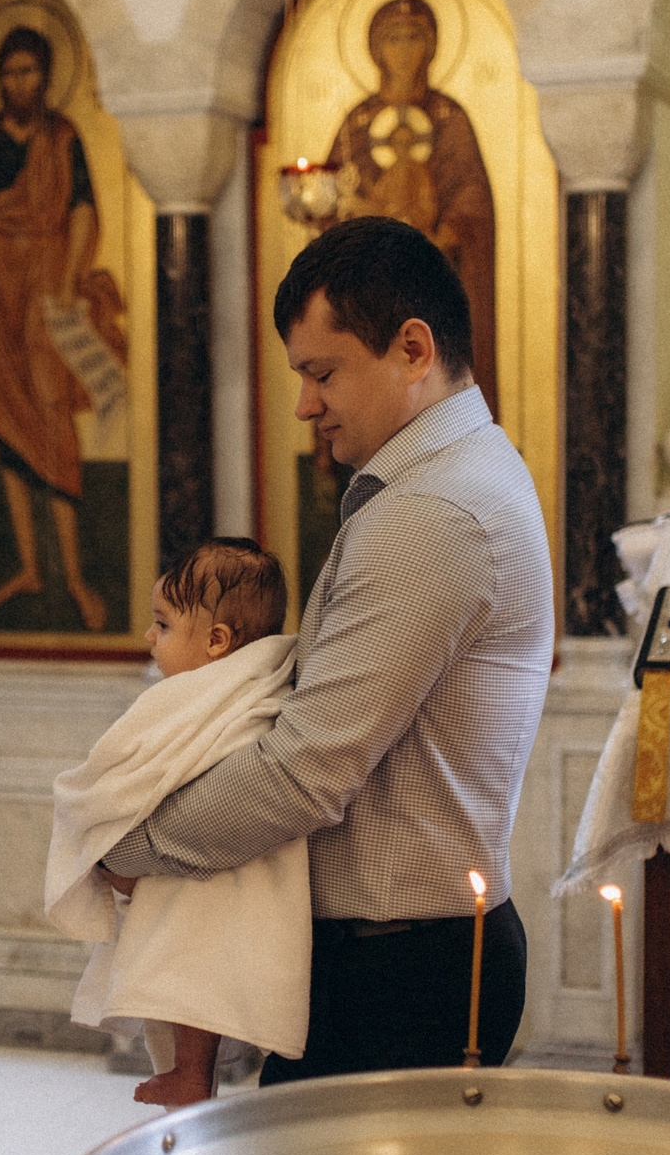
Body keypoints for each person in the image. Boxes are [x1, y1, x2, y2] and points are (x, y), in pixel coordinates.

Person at [99, 216, 553, 1079]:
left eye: (322, 372)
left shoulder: (433, 513)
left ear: (413, 349)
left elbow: (308, 769)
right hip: (408, 953)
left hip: (400, 971)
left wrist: (129, 843)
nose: (305, 402)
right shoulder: (450, 479)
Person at [49, 538, 308, 1106]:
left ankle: (191, 1072)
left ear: (217, 642)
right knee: (194, 967)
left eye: (162, 625)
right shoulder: (234, 690)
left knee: (190, 965)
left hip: (206, 867)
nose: (149, 637)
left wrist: (103, 834)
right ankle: (191, 1073)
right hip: (209, 868)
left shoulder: (212, 697)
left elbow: (132, 770)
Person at [0, 24, 126, 632]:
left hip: (46, 277)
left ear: (46, 77)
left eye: (28, 72)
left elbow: (82, 208)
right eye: (9, 73)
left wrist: (72, 277)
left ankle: (75, 576)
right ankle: (30, 567)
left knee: (51, 412)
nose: (18, 83)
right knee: (6, 415)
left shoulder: (63, 137)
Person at [327, 0, 498, 416]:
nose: (403, 50)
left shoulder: (449, 117)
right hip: (370, 284)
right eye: (393, 39)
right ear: (375, 49)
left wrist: (446, 233)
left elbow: (473, 195)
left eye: (413, 38)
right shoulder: (358, 123)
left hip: (437, 278)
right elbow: (332, 196)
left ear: (432, 46)